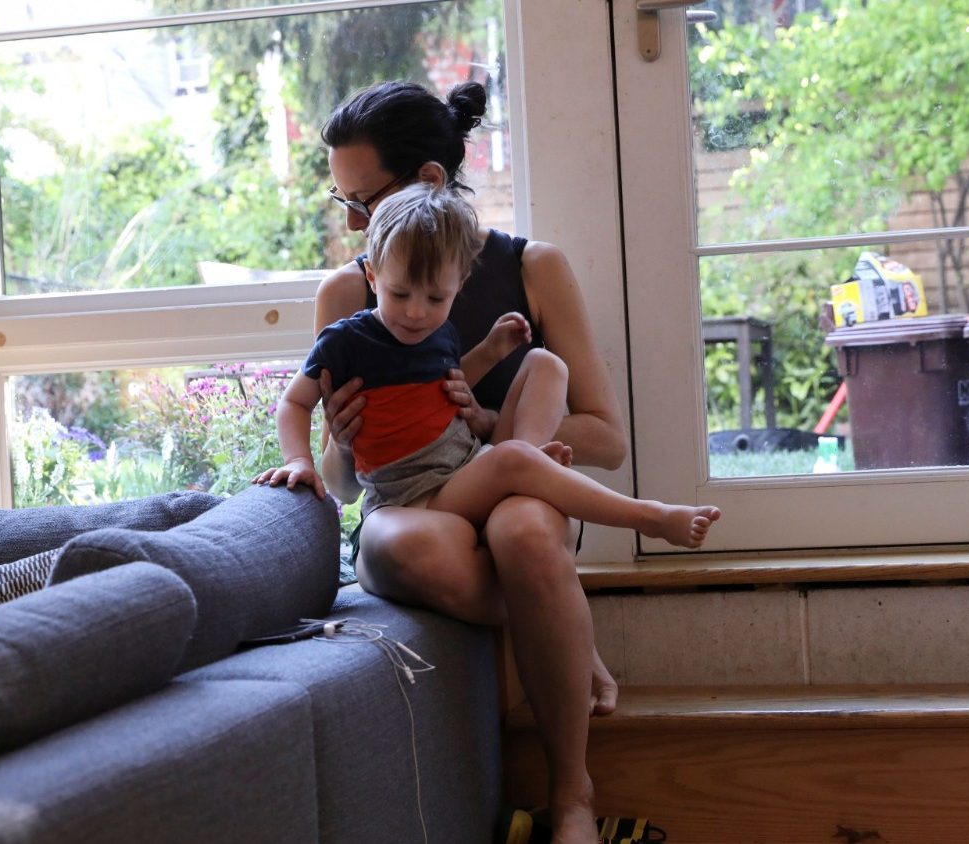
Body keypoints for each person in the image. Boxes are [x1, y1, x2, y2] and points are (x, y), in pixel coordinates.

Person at [301, 80, 720, 844]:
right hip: (418, 505)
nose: (355, 224)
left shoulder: (533, 268)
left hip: (515, 490)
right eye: (345, 204)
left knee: (524, 529)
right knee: (415, 547)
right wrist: (341, 438)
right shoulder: (349, 292)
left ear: (430, 179)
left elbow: (606, 438)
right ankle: (563, 625)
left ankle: (572, 795)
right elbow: (343, 484)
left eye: (363, 202)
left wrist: (494, 433)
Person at [255, 182, 719, 553]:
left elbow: (448, 385)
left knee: (545, 364)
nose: (416, 311)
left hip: (464, 470)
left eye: (435, 297)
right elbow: (294, 402)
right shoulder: (345, 340)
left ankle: (530, 464)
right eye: (400, 295)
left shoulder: (438, 331)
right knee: (512, 459)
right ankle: (649, 517)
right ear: (372, 276)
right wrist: (299, 461)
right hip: (418, 496)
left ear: (459, 284)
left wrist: (493, 350)